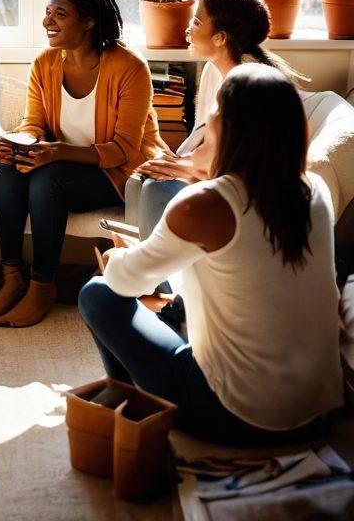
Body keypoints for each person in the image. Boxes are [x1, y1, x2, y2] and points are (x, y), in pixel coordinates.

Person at [79, 64, 343, 444]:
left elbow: (125, 282)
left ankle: (132, 403)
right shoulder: (312, 189)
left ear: (228, 128)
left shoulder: (204, 204)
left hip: (237, 415)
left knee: (96, 294)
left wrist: (123, 256)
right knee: (182, 304)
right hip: (318, 411)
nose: (209, 120)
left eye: (215, 111)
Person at [0, 0, 160, 329]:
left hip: (119, 173)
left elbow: (124, 150)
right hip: (63, 165)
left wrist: (56, 152)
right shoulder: (45, 63)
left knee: (50, 178)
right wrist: (18, 143)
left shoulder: (129, 67)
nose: (48, 22)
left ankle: (43, 286)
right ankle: (12, 277)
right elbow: (34, 124)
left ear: (89, 21)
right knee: (9, 170)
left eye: (60, 14)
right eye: (47, 13)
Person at [134, 0, 306, 240]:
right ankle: (146, 265)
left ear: (221, 37)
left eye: (196, 22)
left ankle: (154, 274)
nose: (188, 29)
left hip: (248, 195)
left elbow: (242, 166)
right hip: (219, 178)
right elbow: (205, 140)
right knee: (143, 179)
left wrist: (183, 168)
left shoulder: (251, 86)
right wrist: (179, 163)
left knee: (153, 188)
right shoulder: (215, 70)